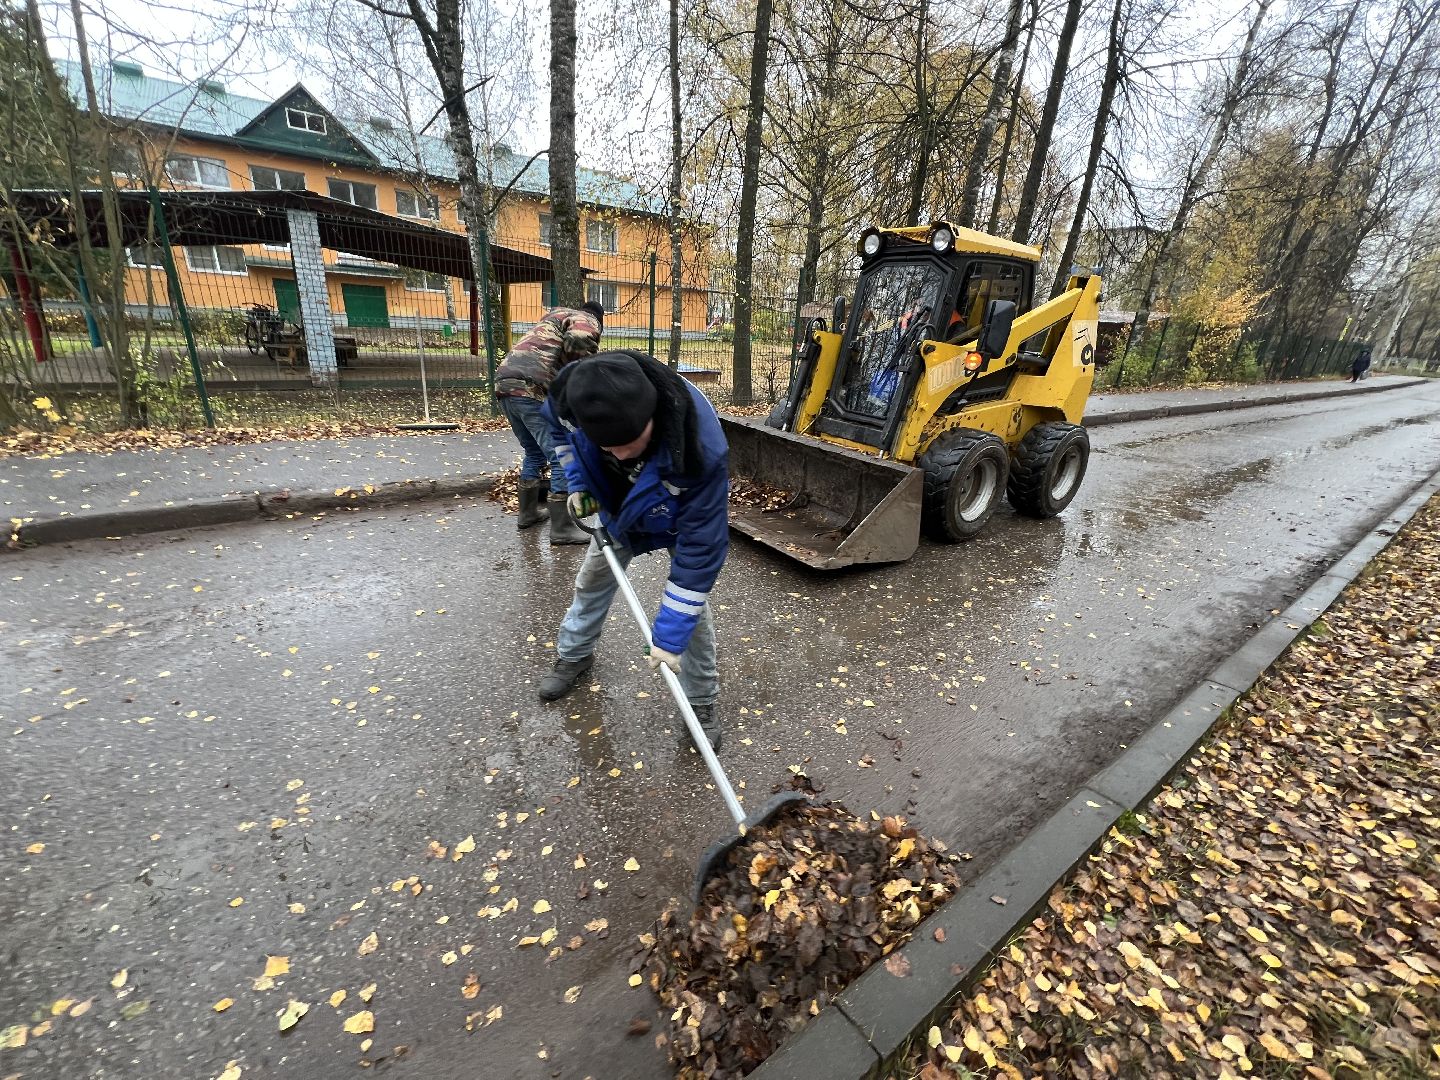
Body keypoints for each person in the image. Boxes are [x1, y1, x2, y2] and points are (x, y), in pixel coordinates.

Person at [536, 350, 730, 750]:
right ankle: (575, 654)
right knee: (591, 582)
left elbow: (700, 551)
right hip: (619, 508)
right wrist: (578, 482)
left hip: (676, 515)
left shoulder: (701, 448)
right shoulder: (571, 398)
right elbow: (559, 435)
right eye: (607, 446)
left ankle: (700, 701)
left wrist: (669, 637)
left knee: (692, 616)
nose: (620, 453)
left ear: (652, 416)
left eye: (628, 443)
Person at [493, 300, 605, 544]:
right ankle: (562, 528)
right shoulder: (587, 318)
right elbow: (580, 338)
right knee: (561, 456)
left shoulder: (556, 316)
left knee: (534, 452)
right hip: (531, 386)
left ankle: (528, 513)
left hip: (505, 383)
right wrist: (584, 374)